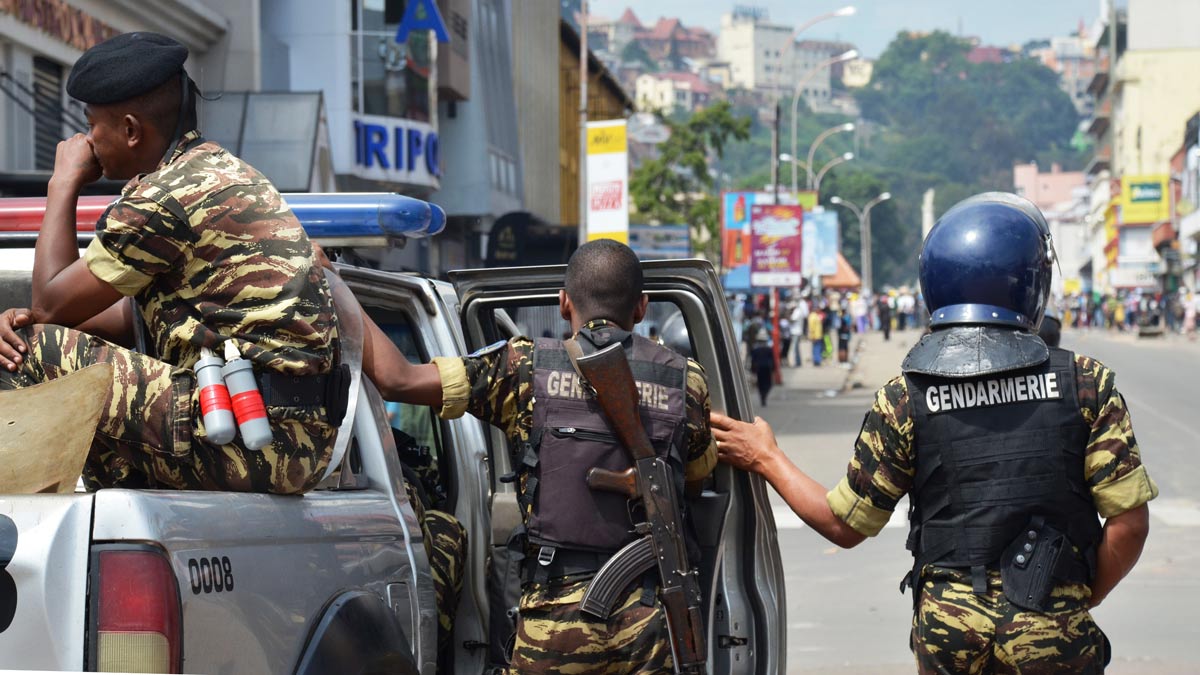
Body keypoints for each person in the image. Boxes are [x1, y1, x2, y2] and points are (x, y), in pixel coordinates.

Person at [711, 193, 1156, 674]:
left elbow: (843, 525)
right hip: (1054, 636)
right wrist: (1066, 605)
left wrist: (766, 456)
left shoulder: (906, 396)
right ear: (1031, 283)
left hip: (949, 636)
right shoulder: (1086, 383)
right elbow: (1129, 526)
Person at [0, 33, 342, 494]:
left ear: (131, 130)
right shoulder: (222, 171)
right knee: (46, 341)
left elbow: (50, 304)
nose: (84, 141)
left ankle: (35, 523)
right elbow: (131, 315)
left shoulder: (162, 199)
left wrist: (62, 181)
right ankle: (116, 501)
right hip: (281, 439)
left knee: (26, 348)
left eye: (90, 125)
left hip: (249, 438)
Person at [360, 239, 717, 673]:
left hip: (554, 619)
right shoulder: (687, 383)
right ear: (641, 308)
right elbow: (696, 480)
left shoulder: (524, 368)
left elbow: (397, 380)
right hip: (651, 620)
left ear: (564, 302)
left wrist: (333, 288)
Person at [748, 329, 775, 407]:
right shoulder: (767, 349)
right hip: (765, 368)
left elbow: (753, 360)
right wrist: (773, 369)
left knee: (761, 384)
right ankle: (764, 396)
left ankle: (763, 396)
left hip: (760, 368)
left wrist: (752, 370)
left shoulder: (756, 349)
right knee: (767, 384)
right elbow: (772, 360)